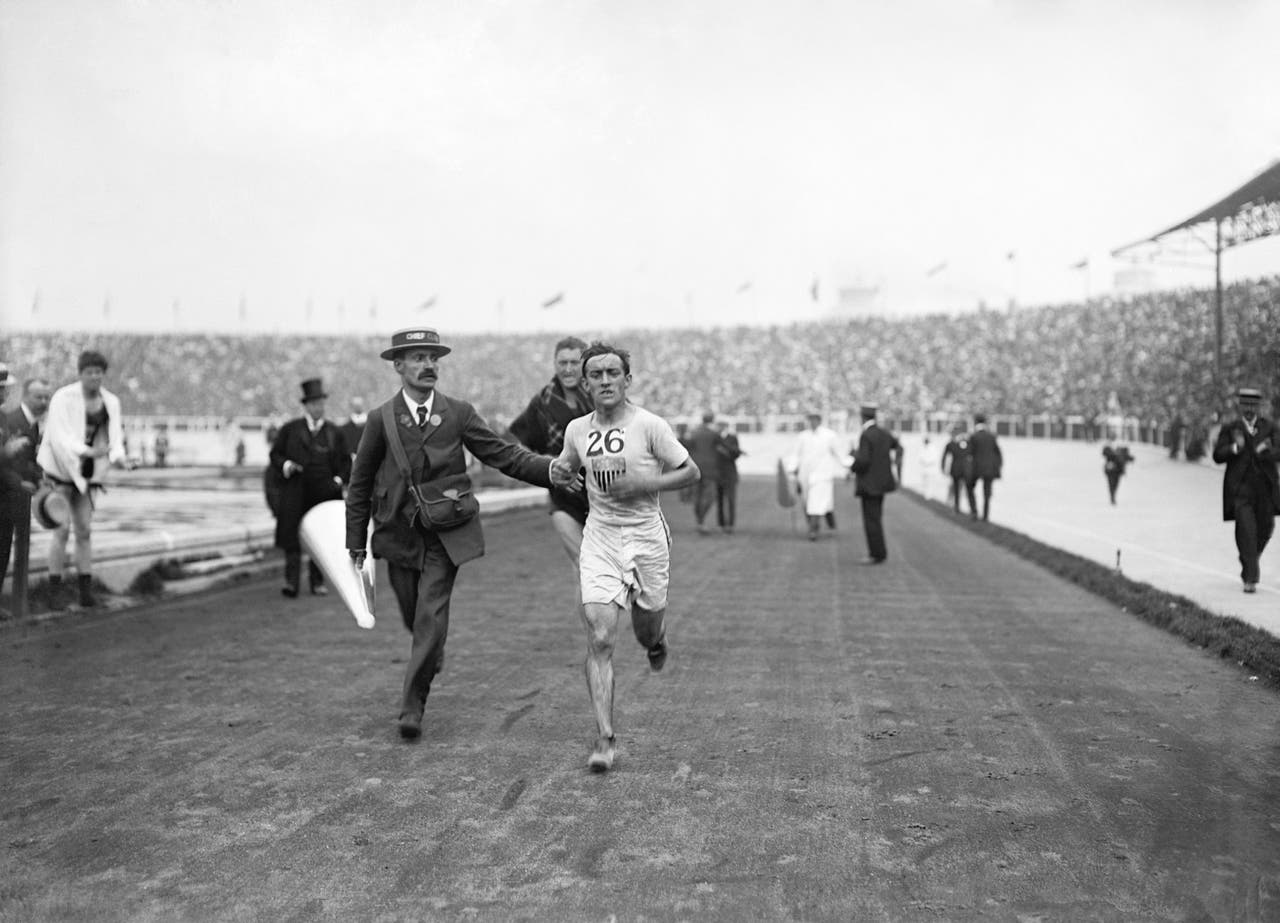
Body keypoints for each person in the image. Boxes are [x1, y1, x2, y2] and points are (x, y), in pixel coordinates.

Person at [345, 327, 571, 741]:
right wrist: (355, 543)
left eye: (433, 358)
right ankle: (431, 651)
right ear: (398, 366)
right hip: (397, 535)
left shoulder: (458, 413)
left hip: (444, 534)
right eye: (417, 358)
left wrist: (550, 470)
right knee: (415, 616)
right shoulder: (381, 419)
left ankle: (412, 706)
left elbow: (503, 455)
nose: (428, 365)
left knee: (430, 615)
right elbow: (359, 484)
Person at [554, 342, 699, 772]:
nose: (604, 381)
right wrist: (563, 475)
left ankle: (656, 639)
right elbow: (566, 465)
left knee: (646, 625)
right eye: (595, 375)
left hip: (647, 538)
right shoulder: (577, 429)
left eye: (612, 373)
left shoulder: (651, 426)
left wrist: (644, 481)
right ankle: (605, 739)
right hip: (600, 536)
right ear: (585, 384)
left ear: (626, 380)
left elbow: (691, 472)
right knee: (599, 636)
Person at [37, 350, 129, 609]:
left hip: (87, 473)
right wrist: (87, 451)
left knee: (85, 530)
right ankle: (54, 589)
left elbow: (115, 439)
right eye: (89, 372)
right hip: (60, 468)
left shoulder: (110, 401)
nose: (94, 377)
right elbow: (60, 438)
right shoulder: (63, 398)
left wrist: (121, 459)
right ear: (80, 374)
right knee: (61, 529)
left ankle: (85, 591)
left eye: (99, 372)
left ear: (103, 374)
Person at [508, 335, 593, 609]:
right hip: (562, 499)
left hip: (602, 495)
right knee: (584, 568)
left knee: (604, 572)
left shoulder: (600, 395)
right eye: (562, 363)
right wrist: (548, 465)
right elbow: (513, 440)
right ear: (554, 364)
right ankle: (597, 647)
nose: (568, 369)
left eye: (574, 362)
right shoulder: (543, 401)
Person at [270, 378, 351, 598]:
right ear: (306, 406)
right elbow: (275, 455)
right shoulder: (290, 430)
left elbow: (346, 463)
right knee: (292, 539)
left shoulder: (335, 432)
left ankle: (317, 582)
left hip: (324, 493)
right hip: (295, 490)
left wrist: (337, 480)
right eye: (314, 404)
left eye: (321, 404)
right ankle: (291, 582)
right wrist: (287, 465)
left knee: (320, 538)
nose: (319, 408)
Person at [1212, 387, 1279, 594]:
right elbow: (1217, 455)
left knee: (1266, 528)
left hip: (1265, 490)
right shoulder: (1231, 428)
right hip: (1240, 490)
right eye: (1245, 405)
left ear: (1259, 406)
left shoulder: (1269, 427)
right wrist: (1235, 448)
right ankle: (1250, 578)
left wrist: (1266, 451)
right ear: (1240, 406)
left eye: (1253, 405)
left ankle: (1249, 558)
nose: (1249, 409)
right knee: (1246, 531)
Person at [1, 377, 51, 591]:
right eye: (38, 396)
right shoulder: (11, 420)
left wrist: (40, 478)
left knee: (5, 549)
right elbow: (9, 461)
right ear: (25, 396)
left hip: (15, 495)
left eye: (46, 397)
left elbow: (26, 460)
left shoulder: (25, 422)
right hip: (6, 492)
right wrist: (21, 482)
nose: (43, 401)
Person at [850, 402, 903, 564]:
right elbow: (899, 448)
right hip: (882, 483)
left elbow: (864, 461)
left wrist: (853, 462)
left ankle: (876, 554)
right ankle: (879, 552)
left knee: (871, 520)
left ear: (862, 417)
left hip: (869, 484)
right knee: (876, 518)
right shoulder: (883, 433)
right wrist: (895, 467)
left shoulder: (866, 435)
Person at [792, 411, 846, 540]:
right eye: (810, 419)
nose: (811, 422)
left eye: (814, 419)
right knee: (809, 503)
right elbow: (796, 454)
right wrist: (792, 469)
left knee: (816, 503)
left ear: (819, 420)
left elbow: (839, 453)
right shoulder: (803, 436)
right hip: (805, 475)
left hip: (822, 475)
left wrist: (850, 465)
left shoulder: (829, 436)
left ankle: (813, 529)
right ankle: (827, 523)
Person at [684, 411, 721, 534]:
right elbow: (722, 448)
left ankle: (700, 521)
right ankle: (701, 521)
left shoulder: (694, 433)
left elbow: (686, 448)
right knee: (709, 496)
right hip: (710, 469)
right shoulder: (714, 434)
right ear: (712, 420)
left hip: (695, 468)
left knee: (698, 496)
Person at [966, 413, 1003, 521]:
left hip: (976, 469)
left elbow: (969, 454)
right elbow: (998, 453)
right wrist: (997, 467)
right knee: (987, 493)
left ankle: (974, 511)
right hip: (989, 469)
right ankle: (985, 516)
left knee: (969, 487)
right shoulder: (991, 436)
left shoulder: (973, 436)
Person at [714, 420, 744, 533]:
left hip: (730, 473)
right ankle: (721, 525)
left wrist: (725, 452)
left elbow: (736, 454)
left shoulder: (732, 438)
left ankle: (730, 525)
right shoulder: (715, 438)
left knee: (731, 500)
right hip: (718, 473)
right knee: (720, 501)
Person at [941, 424, 972, 515]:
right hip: (961, 470)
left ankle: (962, 507)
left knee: (961, 489)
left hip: (960, 470)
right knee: (958, 488)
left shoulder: (957, 442)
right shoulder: (955, 443)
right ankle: (958, 506)